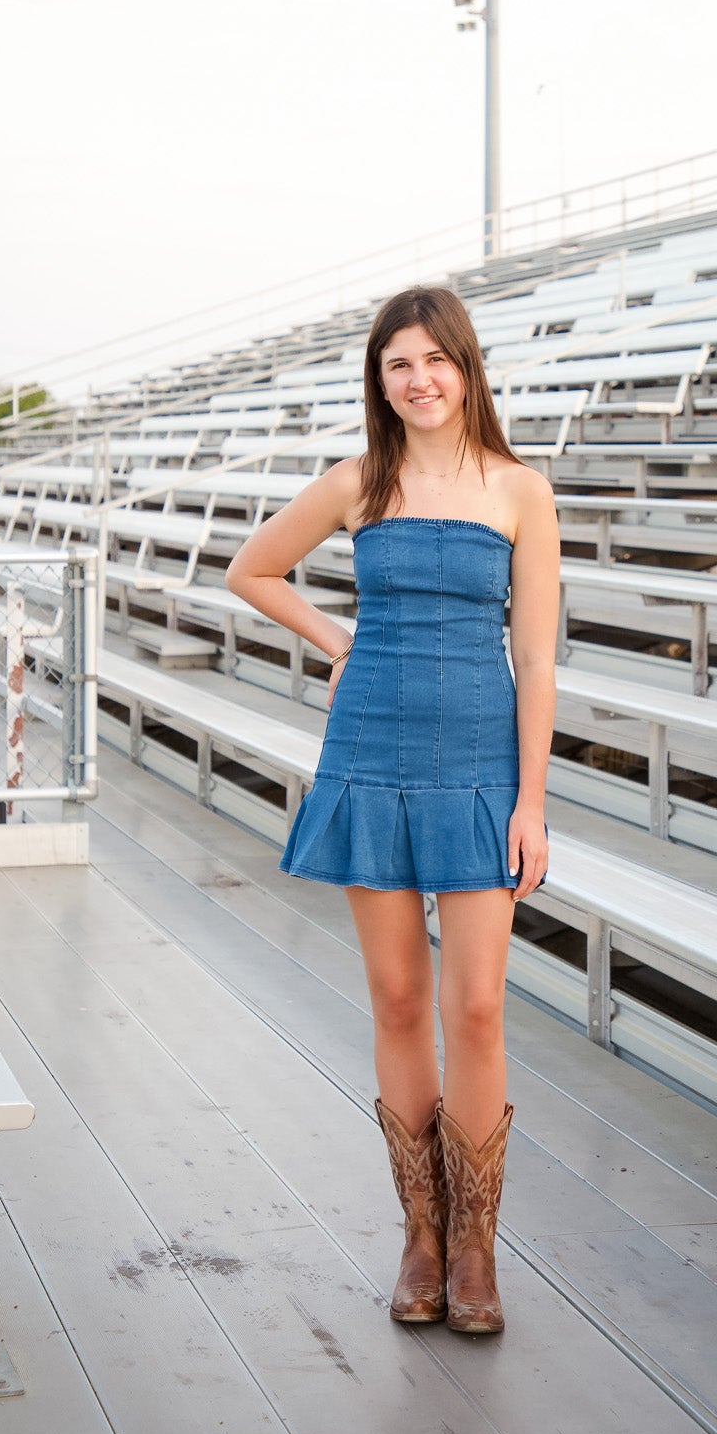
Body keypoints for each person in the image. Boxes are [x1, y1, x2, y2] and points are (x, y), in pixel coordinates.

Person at [225, 284, 558, 1335]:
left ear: (467, 366)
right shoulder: (357, 481)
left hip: (478, 764)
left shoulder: (520, 489)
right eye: (396, 363)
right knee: (400, 1000)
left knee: (477, 1005)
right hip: (368, 751)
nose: (418, 379)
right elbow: (254, 568)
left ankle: (477, 1243)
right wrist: (338, 641)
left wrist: (533, 801)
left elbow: (536, 654)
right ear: (380, 379)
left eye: (434, 359)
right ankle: (421, 1231)